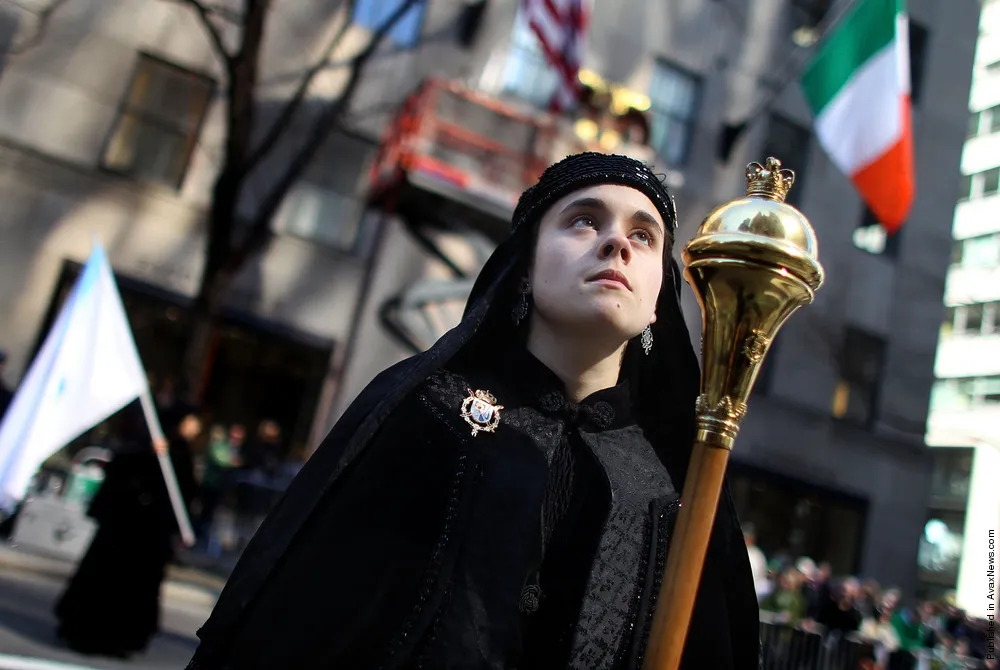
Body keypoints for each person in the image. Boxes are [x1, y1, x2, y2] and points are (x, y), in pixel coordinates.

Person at [186, 153, 761, 669]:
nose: (618, 245)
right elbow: (309, 616)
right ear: (527, 268)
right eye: (584, 219)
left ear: (660, 300)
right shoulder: (431, 412)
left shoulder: (672, 484)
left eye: (644, 234)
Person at [55, 401, 200, 657]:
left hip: (151, 539)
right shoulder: (143, 446)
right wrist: (148, 455)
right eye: (191, 420)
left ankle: (122, 639)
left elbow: (184, 494)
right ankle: (86, 633)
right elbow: (121, 475)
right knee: (105, 584)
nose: (196, 427)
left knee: (135, 593)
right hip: (123, 534)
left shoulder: (181, 454)